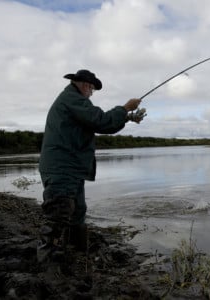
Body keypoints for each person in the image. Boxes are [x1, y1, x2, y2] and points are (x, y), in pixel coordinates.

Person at [37, 69, 146, 263]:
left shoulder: (74, 101)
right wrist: (125, 108)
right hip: (62, 167)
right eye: (92, 88)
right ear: (85, 85)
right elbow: (101, 121)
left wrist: (127, 117)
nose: (92, 92)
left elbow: (101, 124)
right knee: (59, 213)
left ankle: (76, 252)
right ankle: (47, 262)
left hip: (71, 168)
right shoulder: (72, 99)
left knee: (77, 211)